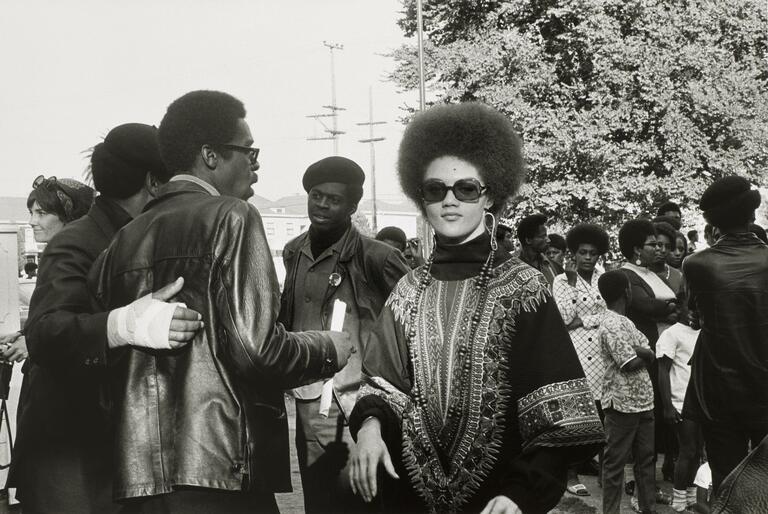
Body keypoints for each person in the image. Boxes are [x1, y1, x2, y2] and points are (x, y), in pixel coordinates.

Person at [92, 91, 354, 513]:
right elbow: (257, 350)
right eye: (248, 151)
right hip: (220, 472)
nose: (255, 163)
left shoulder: (124, 238)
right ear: (210, 155)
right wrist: (327, 347)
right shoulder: (232, 216)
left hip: (140, 479)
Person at [349, 102, 604, 514]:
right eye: (435, 190)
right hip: (411, 496)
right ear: (422, 197)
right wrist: (369, 428)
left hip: (501, 499)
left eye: (466, 188)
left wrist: (522, 494)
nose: (450, 201)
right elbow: (383, 386)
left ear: (490, 195)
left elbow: (558, 414)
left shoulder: (523, 286)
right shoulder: (408, 290)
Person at [7, 125, 206, 513]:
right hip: (73, 455)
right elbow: (46, 333)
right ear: (153, 182)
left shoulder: (136, 235)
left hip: (115, 448)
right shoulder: (77, 242)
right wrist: (125, 324)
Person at [278, 156, 409, 514]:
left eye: (333, 199)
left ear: (352, 206)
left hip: (360, 404)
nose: (321, 205)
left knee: (362, 501)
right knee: (320, 501)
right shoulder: (294, 251)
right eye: (316, 195)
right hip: (309, 402)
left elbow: (412, 324)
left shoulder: (378, 257)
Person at [682, 175, 768, 494]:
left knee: (726, 480)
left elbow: (693, 316)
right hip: (764, 383)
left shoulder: (697, 265)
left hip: (719, 388)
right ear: (752, 214)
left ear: (713, 221)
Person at [597, 271, 657, 514]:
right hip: (621, 403)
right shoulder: (610, 323)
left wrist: (641, 351)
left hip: (643, 401)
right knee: (615, 464)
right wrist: (645, 353)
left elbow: (647, 347)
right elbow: (629, 363)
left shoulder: (627, 322)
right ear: (626, 292)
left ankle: (648, 508)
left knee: (646, 461)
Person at [657, 303, 701, 512]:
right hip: (681, 400)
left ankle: (691, 496)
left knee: (698, 451)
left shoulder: (704, 332)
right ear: (679, 310)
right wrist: (667, 405)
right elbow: (663, 371)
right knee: (687, 449)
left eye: (698, 309)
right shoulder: (671, 334)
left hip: (701, 401)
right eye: (690, 309)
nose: (694, 313)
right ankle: (679, 499)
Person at [516, 213, 564, 287]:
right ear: (528, 240)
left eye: (546, 235)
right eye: (543, 236)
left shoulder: (554, 267)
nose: (548, 240)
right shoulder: (514, 270)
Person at [651, 221, 684, 295]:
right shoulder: (638, 272)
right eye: (659, 245)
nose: (663, 250)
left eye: (668, 247)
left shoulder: (678, 276)